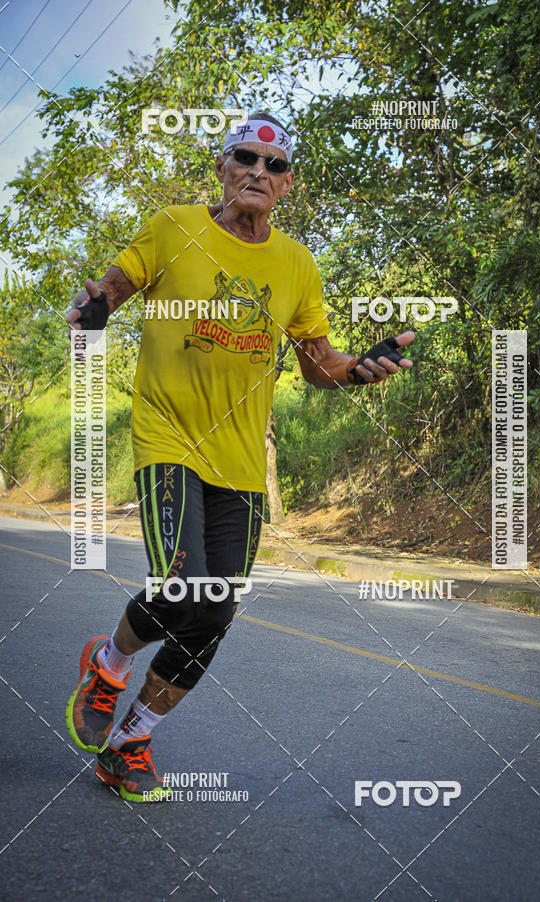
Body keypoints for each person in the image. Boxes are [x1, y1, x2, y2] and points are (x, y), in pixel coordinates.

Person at [64, 111, 415, 802]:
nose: (259, 171)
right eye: (245, 158)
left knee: (215, 612)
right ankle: (106, 665)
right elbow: (114, 287)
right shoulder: (173, 226)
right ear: (223, 169)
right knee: (182, 584)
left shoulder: (295, 263)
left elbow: (318, 362)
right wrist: (97, 309)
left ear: (289, 185)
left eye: (274, 165)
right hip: (169, 441)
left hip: (241, 465)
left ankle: (129, 744)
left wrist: (356, 368)